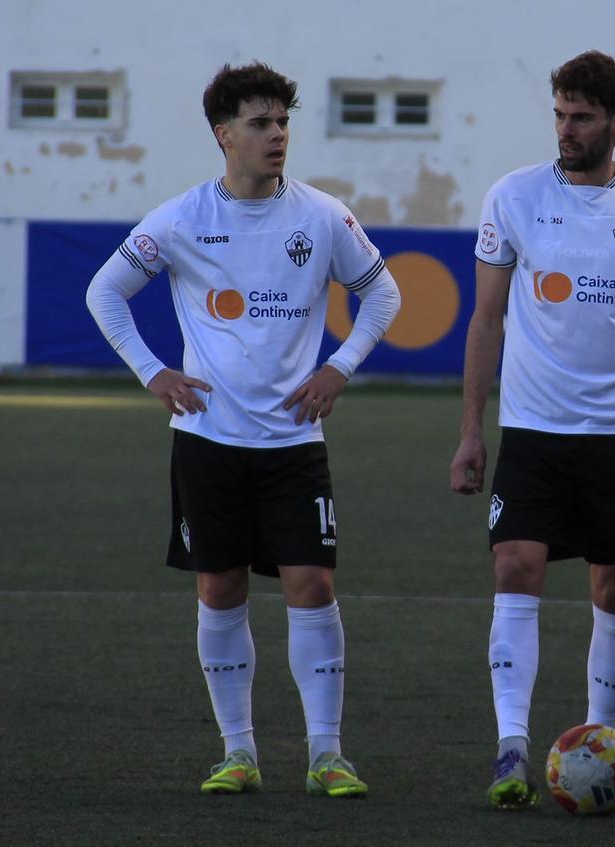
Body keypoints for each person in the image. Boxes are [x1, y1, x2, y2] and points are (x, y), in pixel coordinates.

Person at [85, 61, 400, 798]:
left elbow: (381, 292)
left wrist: (341, 366)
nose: (277, 136)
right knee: (219, 588)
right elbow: (107, 290)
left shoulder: (322, 216)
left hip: (293, 443)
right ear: (224, 135)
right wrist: (153, 372)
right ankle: (239, 753)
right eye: (261, 124)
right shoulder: (182, 218)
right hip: (209, 440)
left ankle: (327, 753)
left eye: (283, 122)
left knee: (312, 583)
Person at [449, 49, 615, 810]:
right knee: (514, 566)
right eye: (560, 113)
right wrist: (472, 428)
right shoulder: (514, 197)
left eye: (583, 116)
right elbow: (486, 318)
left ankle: (595, 741)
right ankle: (510, 746)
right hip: (534, 429)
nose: (566, 128)